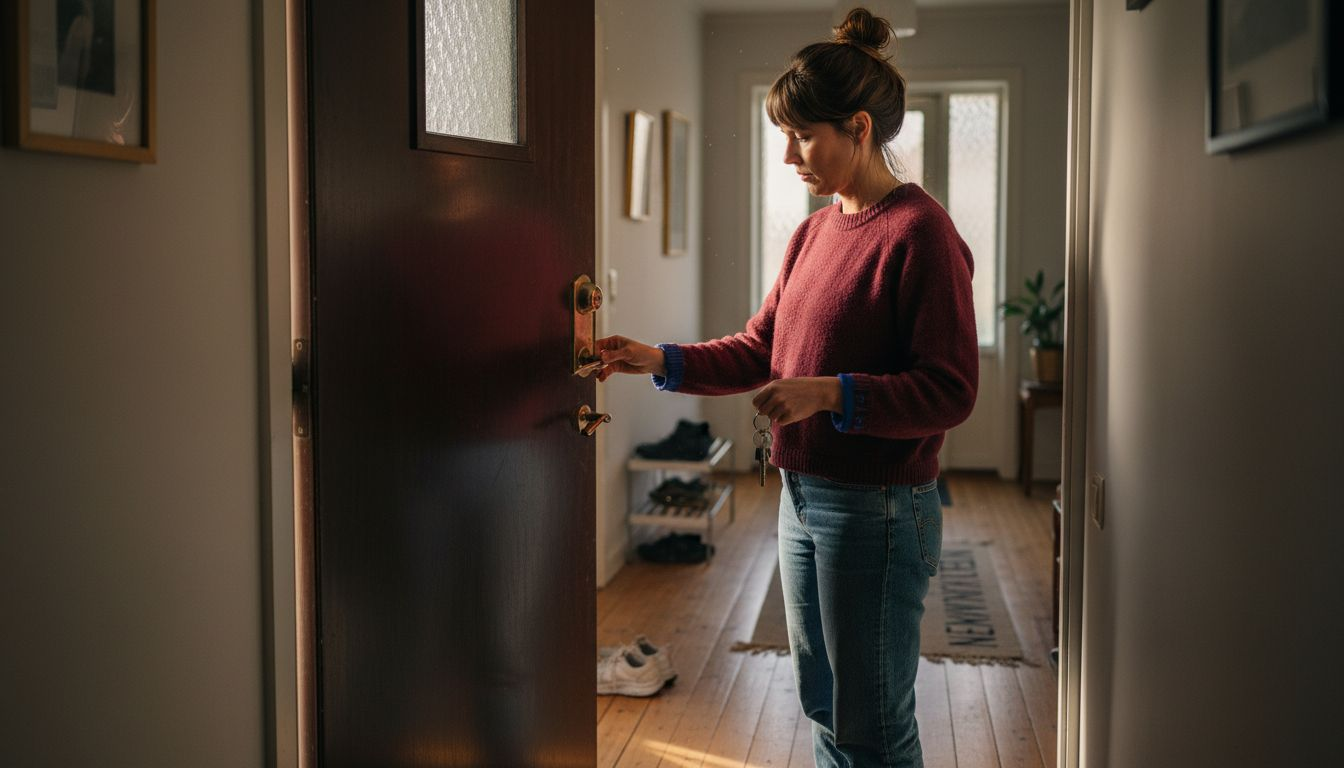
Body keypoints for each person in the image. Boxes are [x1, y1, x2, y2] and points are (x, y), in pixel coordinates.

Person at [596, 7, 977, 767]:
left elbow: (950, 389)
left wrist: (832, 393)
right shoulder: (812, 233)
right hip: (802, 498)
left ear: (859, 128)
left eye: (803, 136)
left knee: (870, 723)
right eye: (786, 135)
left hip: (877, 510)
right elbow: (760, 349)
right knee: (826, 706)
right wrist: (657, 358)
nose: (788, 156)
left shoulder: (920, 233)